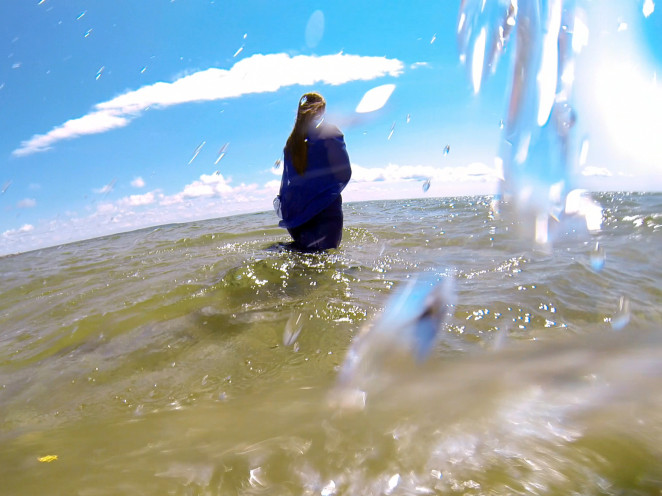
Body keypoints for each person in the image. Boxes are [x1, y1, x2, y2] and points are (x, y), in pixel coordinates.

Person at [274, 92, 352, 251]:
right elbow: (344, 172)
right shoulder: (329, 132)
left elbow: (289, 183)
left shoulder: (291, 144)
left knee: (303, 259)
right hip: (325, 213)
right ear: (321, 110)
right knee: (325, 261)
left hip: (296, 217)